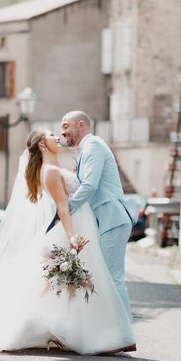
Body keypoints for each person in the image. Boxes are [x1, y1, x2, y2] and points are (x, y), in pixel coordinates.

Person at [0, 129, 135, 355]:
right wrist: (72, 237)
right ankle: (97, 334)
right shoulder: (50, 171)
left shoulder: (54, 169)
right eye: (52, 135)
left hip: (79, 226)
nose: (57, 137)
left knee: (67, 286)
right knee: (74, 284)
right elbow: (62, 207)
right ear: (42, 144)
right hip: (71, 229)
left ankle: (81, 332)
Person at [61, 111, 140, 322]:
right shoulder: (86, 148)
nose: (62, 132)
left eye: (65, 126)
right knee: (106, 278)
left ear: (80, 125)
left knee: (113, 278)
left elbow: (90, 185)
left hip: (112, 218)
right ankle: (114, 329)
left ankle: (124, 333)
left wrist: (65, 209)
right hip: (106, 220)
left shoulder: (93, 145)